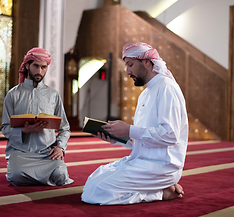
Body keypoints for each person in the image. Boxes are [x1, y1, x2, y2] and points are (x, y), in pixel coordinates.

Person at [81, 42, 188, 205]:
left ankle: (160, 193)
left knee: (95, 191)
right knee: (94, 179)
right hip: (141, 161)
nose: (127, 71)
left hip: (162, 166)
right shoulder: (145, 94)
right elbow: (143, 138)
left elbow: (170, 135)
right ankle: (157, 188)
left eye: (130, 65)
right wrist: (117, 138)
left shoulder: (166, 88)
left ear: (146, 62)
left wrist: (129, 129)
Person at [1, 47, 73, 186]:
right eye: (36, 66)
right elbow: (5, 128)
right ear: (27, 65)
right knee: (16, 176)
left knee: (61, 176)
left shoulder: (53, 95)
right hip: (21, 152)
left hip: (47, 153)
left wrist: (60, 148)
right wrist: (23, 131)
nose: (39, 71)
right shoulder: (13, 94)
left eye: (43, 67)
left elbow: (65, 128)